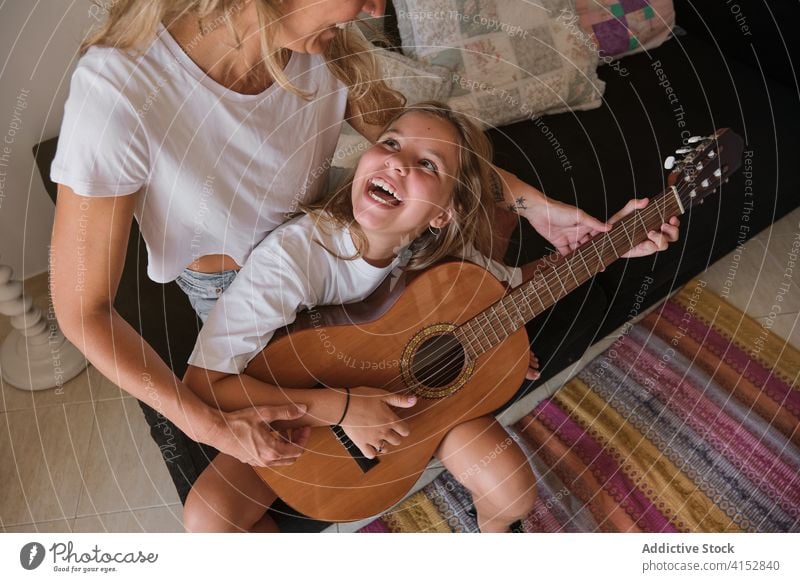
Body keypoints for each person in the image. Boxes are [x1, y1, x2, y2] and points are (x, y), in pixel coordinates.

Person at [49, 0, 666, 483]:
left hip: (337, 237)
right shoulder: (120, 88)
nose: (376, 11)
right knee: (258, 490)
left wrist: (546, 211)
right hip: (242, 286)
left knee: (474, 256)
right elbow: (82, 310)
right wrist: (208, 424)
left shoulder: (329, 42)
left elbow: (435, 161)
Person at [181, 102, 680, 533]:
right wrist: (341, 407)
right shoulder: (294, 259)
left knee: (513, 491)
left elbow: (514, 290)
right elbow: (205, 386)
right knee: (207, 520)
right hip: (304, 418)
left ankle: (494, 534)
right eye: (391, 143)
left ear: (444, 213)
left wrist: (610, 247)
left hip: (429, 417)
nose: (397, 163)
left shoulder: (444, 257)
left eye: (427, 163)